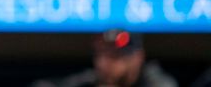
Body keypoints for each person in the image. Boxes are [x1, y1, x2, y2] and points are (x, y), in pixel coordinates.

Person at [32, 29, 177, 87]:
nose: (103, 63)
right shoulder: (94, 78)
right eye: (100, 54)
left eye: (114, 56)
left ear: (137, 57)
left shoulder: (156, 81)